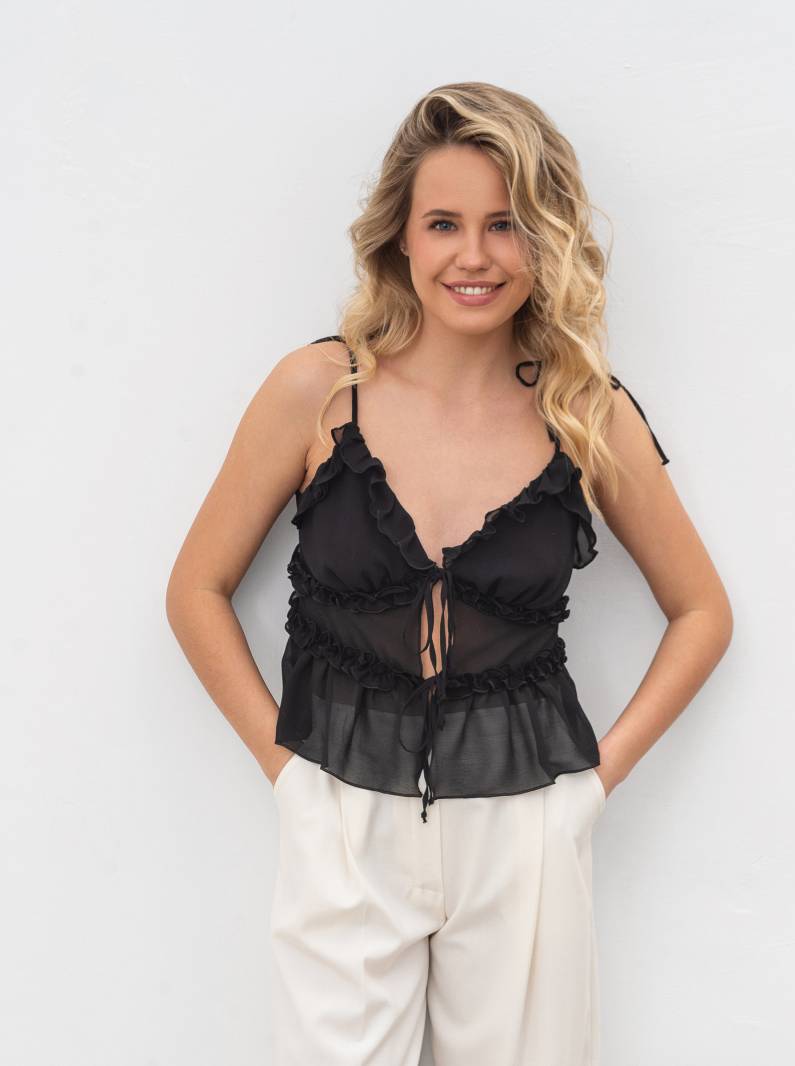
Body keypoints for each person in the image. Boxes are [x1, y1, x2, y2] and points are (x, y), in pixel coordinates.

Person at [166, 81, 733, 1066]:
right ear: (400, 236)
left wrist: (584, 795)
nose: (474, 256)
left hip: (522, 824)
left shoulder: (583, 411)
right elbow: (194, 590)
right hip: (343, 816)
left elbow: (702, 612)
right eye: (444, 224)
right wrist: (293, 781)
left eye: (505, 224)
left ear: (545, 237)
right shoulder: (317, 390)